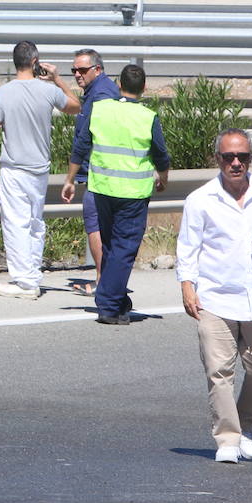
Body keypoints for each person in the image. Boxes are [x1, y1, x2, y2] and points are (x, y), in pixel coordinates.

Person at [177, 129, 252, 464]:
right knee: (219, 370)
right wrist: (187, 285)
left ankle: (246, 424)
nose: (235, 163)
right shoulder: (201, 199)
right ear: (217, 159)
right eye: (228, 157)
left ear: (250, 159)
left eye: (242, 157)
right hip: (215, 296)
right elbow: (188, 246)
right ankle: (227, 438)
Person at [61, 64, 170, 325]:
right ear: (144, 89)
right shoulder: (147, 116)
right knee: (124, 248)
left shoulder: (100, 109)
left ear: (119, 85)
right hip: (133, 193)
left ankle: (119, 301)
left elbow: (81, 145)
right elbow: (160, 154)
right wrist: (163, 178)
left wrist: (70, 179)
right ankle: (108, 305)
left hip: (102, 189)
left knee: (111, 246)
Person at [0, 41, 80, 298]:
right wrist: (57, 79)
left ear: (15, 62)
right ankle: (32, 274)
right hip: (39, 169)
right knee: (35, 222)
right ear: (35, 62)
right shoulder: (47, 91)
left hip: (14, 168)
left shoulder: (3, 92)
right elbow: (75, 106)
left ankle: (24, 282)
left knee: (15, 223)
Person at [70, 48, 120, 297]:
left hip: (98, 172)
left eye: (82, 70)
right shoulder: (100, 90)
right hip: (101, 170)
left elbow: (87, 136)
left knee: (95, 226)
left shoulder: (100, 94)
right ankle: (105, 280)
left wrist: (71, 174)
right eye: (74, 70)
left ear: (97, 69)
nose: (77, 75)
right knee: (101, 226)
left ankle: (102, 281)